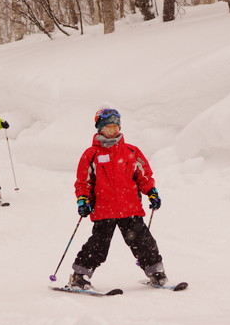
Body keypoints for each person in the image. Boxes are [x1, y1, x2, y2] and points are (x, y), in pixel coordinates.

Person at [68, 108, 166, 290]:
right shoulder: (91, 155)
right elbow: (83, 182)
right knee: (98, 245)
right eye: (108, 127)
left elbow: (144, 175)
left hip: (130, 208)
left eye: (115, 127)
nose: (113, 130)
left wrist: (151, 192)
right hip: (104, 210)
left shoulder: (131, 151)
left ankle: (156, 272)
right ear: (99, 129)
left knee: (143, 242)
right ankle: (79, 276)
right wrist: (83, 200)